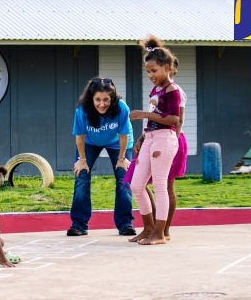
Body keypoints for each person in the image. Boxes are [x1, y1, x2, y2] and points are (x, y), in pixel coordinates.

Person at [124, 58, 188, 241]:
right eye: (148, 72)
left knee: (161, 185)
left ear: (166, 68)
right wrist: (143, 136)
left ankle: (161, 232)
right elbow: (153, 119)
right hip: (151, 137)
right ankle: (149, 228)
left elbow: (175, 120)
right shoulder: (156, 89)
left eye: (154, 71)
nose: (151, 75)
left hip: (165, 138)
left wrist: (144, 114)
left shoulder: (173, 90)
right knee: (136, 185)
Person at [67, 76, 136, 236]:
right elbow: (80, 137)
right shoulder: (82, 110)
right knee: (82, 177)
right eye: (97, 99)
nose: (102, 104)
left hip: (118, 142)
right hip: (90, 141)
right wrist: (82, 161)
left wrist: (121, 159)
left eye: (106, 99)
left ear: (112, 98)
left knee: (124, 178)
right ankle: (79, 224)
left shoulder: (121, 108)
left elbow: (124, 135)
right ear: (91, 98)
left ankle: (125, 223)